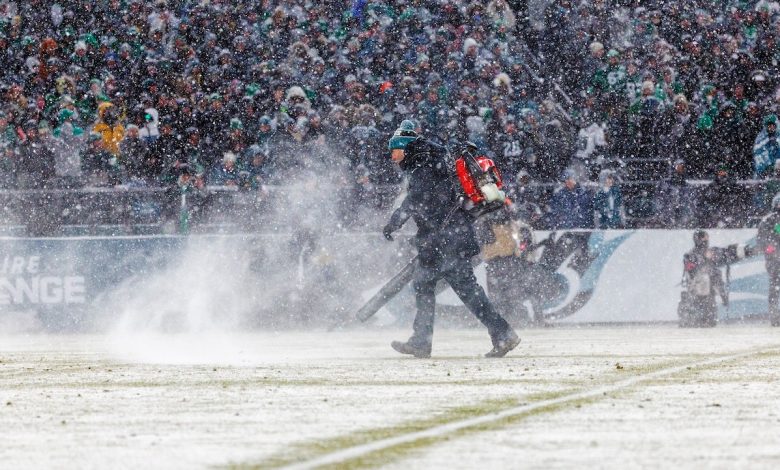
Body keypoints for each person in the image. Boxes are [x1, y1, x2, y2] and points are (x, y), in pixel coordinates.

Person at [382, 120, 520, 358]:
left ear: (405, 148)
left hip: (444, 239)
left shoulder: (423, 166)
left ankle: (424, 341)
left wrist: (394, 222)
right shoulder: (431, 160)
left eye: (395, 151)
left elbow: (416, 202)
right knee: (444, 287)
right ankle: (499, 334)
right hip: (449, 237)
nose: (393, 158)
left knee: (447, 288)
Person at [678, 230, 750, 327]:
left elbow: (725, 253)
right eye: (703, 237)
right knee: (702, 292)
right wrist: (702, 262)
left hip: (709, 289)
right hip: (697, 287)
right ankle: (697, 319)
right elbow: (690, 269)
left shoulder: (711, 252)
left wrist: (738, 250)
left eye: (707, 237)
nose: (706, 240)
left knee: (709, 317)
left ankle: (706, 319)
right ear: (697, 239)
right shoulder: (691, 255)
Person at [756, 194, 780, 327]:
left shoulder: (768, 220)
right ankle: (775, 316)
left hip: (774, 258)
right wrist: (771, 248)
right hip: (774, 260)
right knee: (775, 286)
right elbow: (762, 240)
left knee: (775, 287)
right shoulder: (768, 220)